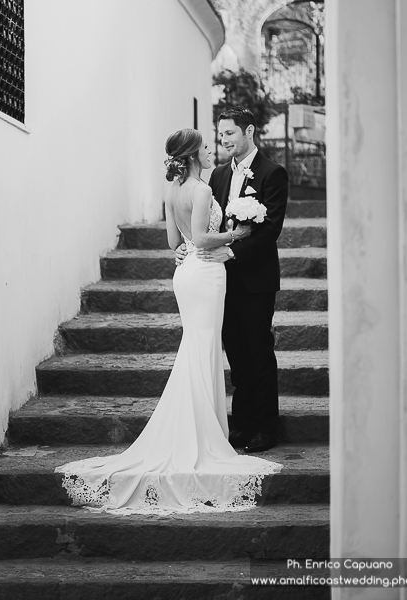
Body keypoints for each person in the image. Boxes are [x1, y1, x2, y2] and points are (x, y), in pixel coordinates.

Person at [54, 128, 282, 515]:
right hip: (207, 273)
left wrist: (190, 251)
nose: (213, 150)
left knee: (198, 347)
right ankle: (201, 437)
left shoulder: (172, 191)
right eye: (207, 146)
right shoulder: (202, 190)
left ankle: (196, 429)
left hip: (187, 271)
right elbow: (200, 236)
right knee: (202, 349)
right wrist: (235, 233)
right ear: (193, 154)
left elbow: (174, 243)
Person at [195, 107, 289, 454]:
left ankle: (266, 427)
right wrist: (189, 249)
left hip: (256, 279)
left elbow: (270, 230)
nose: (224, 140)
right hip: (222, 280)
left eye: (230, 134)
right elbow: (210, 224)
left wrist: (233, 253)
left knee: (258, 352)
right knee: (235, 352)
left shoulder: (272, 173)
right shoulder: (218, 175)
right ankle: (242, 424)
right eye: (220, 135)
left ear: (248, 131)